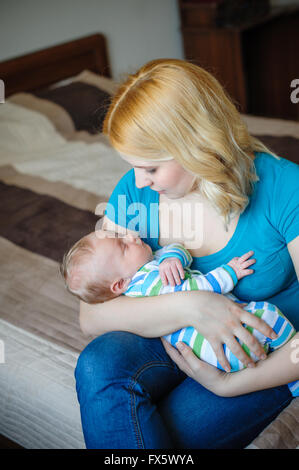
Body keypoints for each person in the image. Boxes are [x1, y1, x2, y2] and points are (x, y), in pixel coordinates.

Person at [75, 59, 299, 449]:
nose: (139, 181)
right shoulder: (137, 191)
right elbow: (91, 313)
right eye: (133, 168)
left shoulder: (284, 187)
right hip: (178, 331)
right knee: (98, 363)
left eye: (150, 168)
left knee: (176, 436)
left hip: (262, 348)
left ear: (195, 143)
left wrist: (231, 385)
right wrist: (195, 306)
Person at [61, 231, 296, 376]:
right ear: (120, 284)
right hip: (222, 346)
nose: (131, 236)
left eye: (122, 236)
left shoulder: (146, 267)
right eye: (123, 246)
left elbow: (175, 249)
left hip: (216, 348)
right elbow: (196, 292)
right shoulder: (148, 285)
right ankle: (292, 370)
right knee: (269, 316)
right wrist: (230, 272)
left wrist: (172, 257)